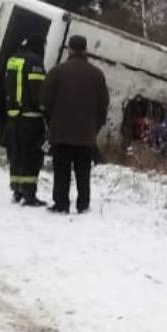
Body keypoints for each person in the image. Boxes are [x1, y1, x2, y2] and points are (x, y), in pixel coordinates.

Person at [40, 34, 109, 214]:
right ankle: (83, 204)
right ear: (85, 49)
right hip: (86, 135)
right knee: (83, 171)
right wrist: (95, 128)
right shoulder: (97, 75)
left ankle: (61, 204)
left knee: (61, 170)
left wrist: (51, 123)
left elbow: (45, 101)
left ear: (69, 49)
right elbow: (103, 105)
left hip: (60, 133)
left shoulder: (57, 71)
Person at [3, 34, 48, 206]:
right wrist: (44, 108)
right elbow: (38, 90)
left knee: (16, 153)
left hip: (13, 116)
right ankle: (29, 194)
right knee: (31, 155)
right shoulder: (35, 62)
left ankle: (17, 189)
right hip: (30, 117)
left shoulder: (12, 59)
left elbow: (6, 85)